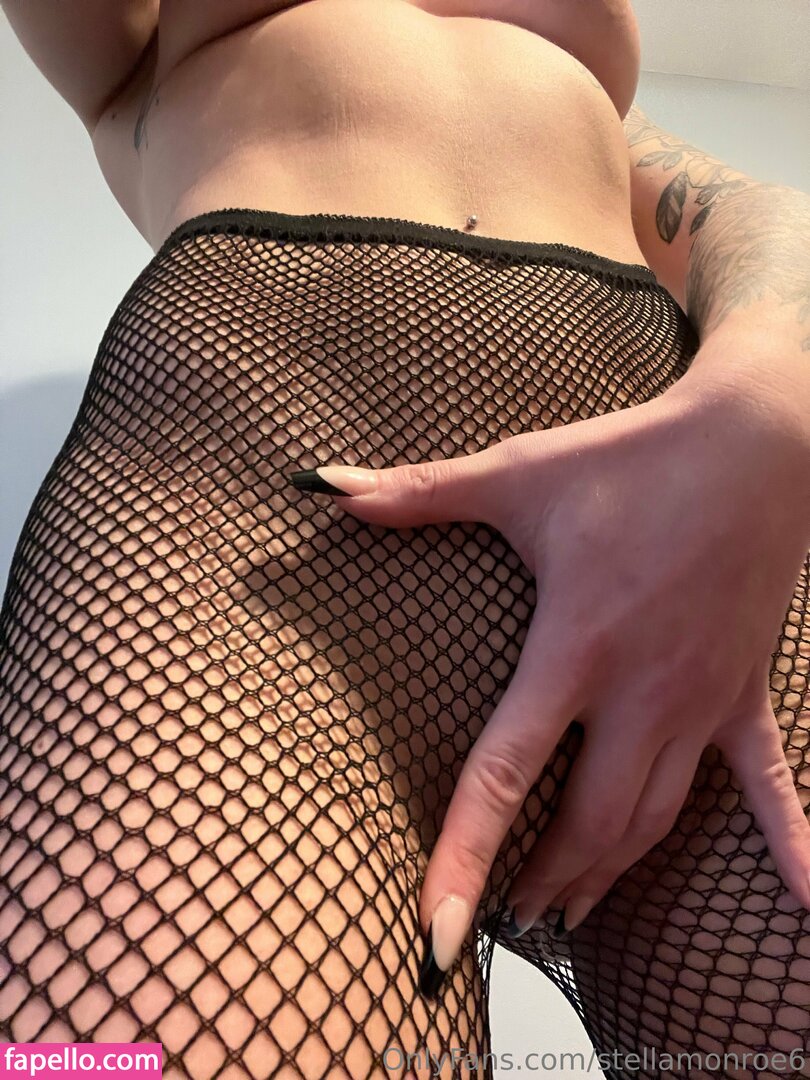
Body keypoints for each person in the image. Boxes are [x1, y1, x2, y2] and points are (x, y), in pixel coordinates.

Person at [1, 2, 808, 1078]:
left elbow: (753, 214)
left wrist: (774, 398)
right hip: (239, 574)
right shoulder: (144, 54)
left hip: (692, 582)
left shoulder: (587, 101)